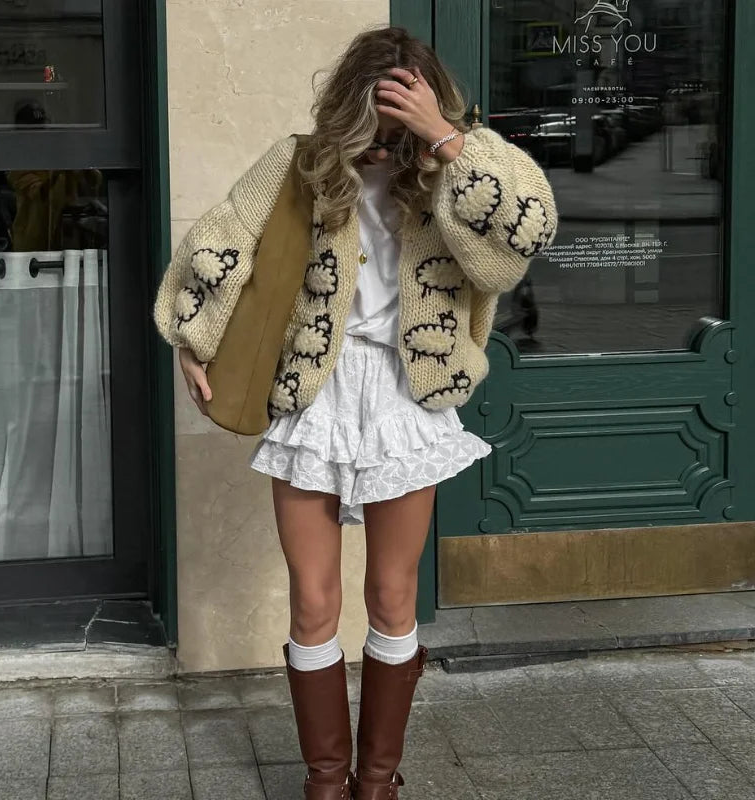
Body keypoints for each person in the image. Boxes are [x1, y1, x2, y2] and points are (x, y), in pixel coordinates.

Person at [153, 25, 557, 800]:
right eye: (370, 129)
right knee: (312, 598)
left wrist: (445, 139)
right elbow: (221, 241)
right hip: (316, 393)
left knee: (393, 594)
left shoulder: (456, 172)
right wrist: (190, 333)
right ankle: (325, 781)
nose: (381, 150)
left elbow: (524, 232)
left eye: (397, 130)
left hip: (409, 394)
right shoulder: (300, 164)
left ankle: (378, 782)